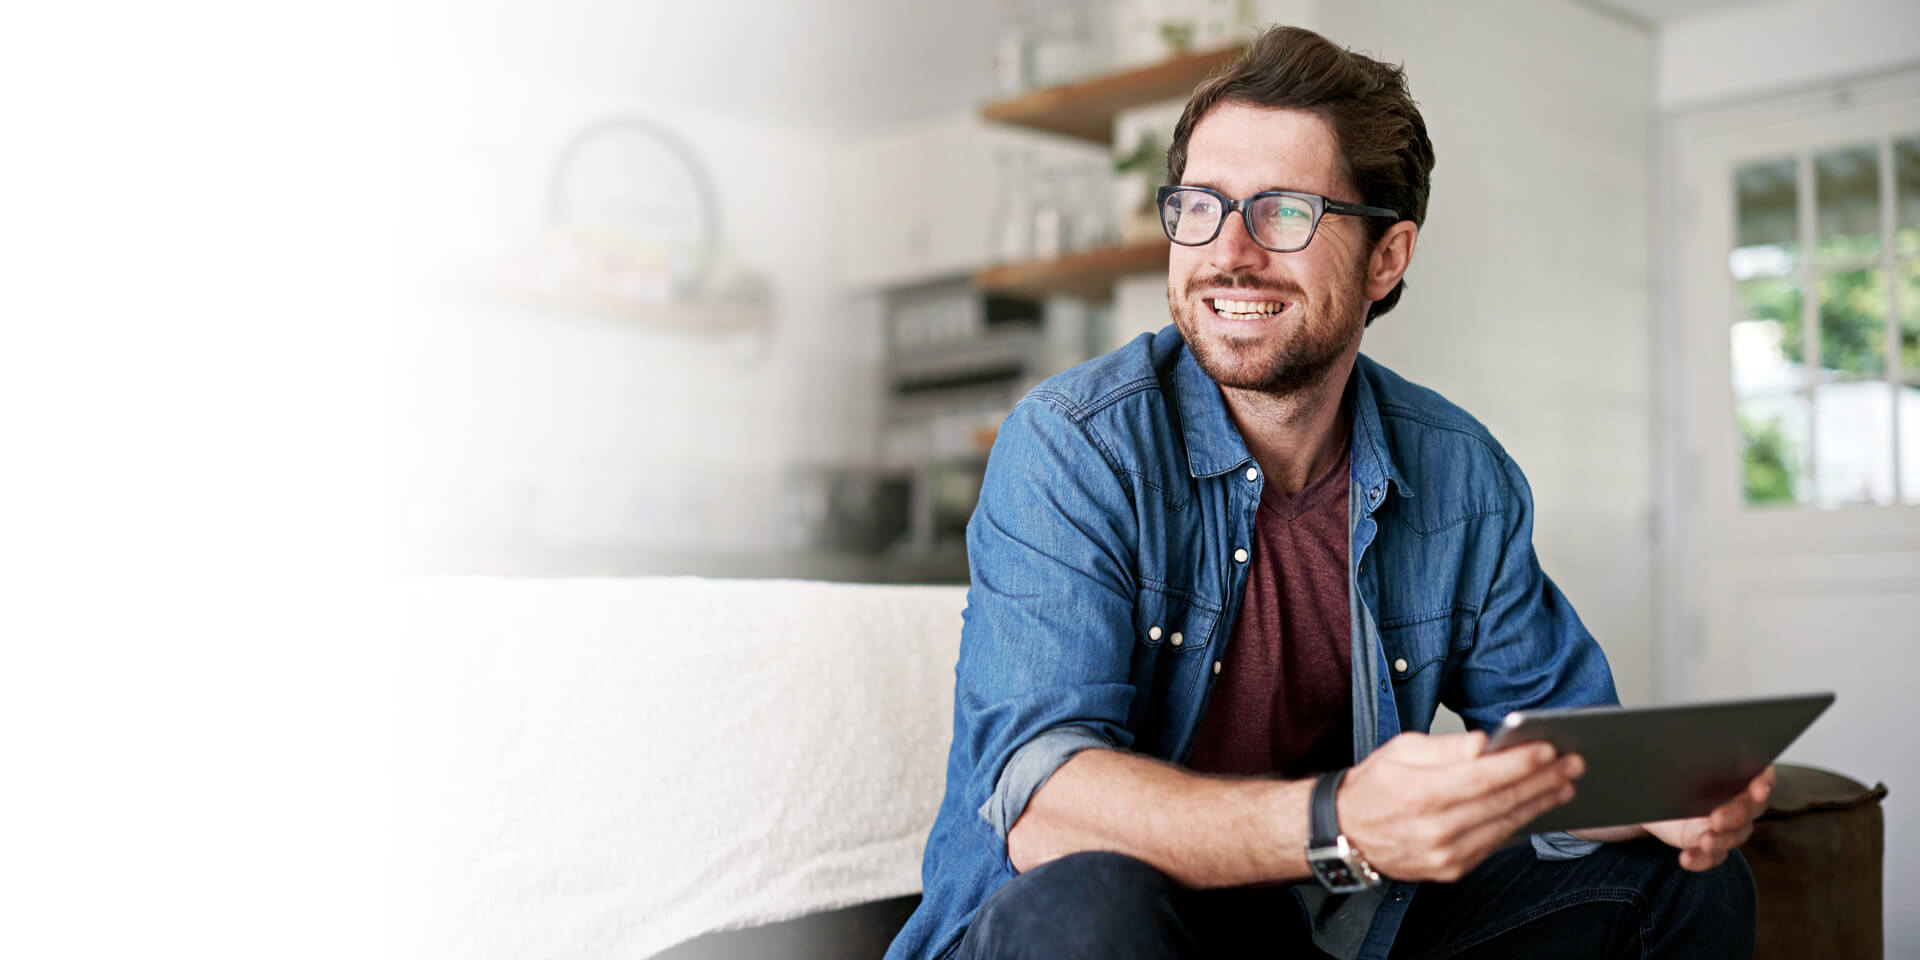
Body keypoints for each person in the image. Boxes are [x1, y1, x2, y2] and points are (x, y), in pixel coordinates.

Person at [885, 24, 1767, 960]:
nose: (1228, 253)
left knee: (1674, 886)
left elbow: (1558, 756)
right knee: (1095, 904)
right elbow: (1046, 811)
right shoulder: (1074, 447)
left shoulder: (1461, 475)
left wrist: (1662, 797)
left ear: (1387, 257)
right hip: (1089, 924)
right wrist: (1339, 820)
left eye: (1284, 213)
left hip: (1338, 930)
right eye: (1201, 207)